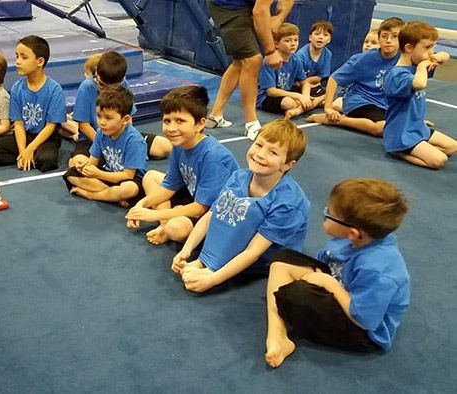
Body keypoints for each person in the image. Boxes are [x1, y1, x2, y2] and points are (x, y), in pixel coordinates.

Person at [265, 178, 409, 368]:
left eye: (329, 214)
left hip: (362, 330)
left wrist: (329, 284)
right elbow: (327, 262)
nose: (325, 215)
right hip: (342, 285)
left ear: (354, 234)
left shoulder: (378, 270)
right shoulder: (352, 239)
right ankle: (277, 335)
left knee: (295, 293)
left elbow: (364, 320)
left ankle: (280, 330)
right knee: (282, 259)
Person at [172, 119, 309, 293]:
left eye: (273, 152)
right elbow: (212, 216)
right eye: (259, 144)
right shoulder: (238, 177)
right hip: (237, 241)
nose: (260, 154)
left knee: (250, 213)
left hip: (265, 258)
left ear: (288, 164)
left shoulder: (289, 203)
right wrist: (187, 250)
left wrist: (212, 278)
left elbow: (253, 252)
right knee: (226, 212)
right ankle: (207, 261)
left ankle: (211, 264)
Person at [125, 86, 239, 245]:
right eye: (167, 121)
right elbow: (169, 186)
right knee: (151, 176)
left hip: (213, 212)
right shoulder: (179, 144)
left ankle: (166, 226)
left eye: (180, 121)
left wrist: (153, 215)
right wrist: (142, 204)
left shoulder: (213, 156)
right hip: (194, 194)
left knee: (175, 229)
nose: (171, 128)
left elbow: (200, 208)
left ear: (200, 124)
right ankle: (164, 225)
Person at [205, 0, 295, 140]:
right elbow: (259, 11)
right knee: (252, 60)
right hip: (226, 6)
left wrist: (279, 17)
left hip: (246, 5)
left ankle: (216, 115)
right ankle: (251, 124)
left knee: (241, 61)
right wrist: (271, 52)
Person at [69, 51, 171, 167]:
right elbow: (84, 125)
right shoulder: (87, 87)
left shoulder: (124, 85)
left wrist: (128, 143)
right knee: (76, 164)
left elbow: (128, 120)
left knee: (164, 147)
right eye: (101, 85)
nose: (105, 91)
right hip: (93, 139)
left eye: (111, 88)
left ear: (122, 80)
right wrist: (102, 145)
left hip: (121, 136)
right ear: (97, 72)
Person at [307, 18, 405, 137]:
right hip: (360, 101)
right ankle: (338, 120)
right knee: (382, 128)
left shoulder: (404, 58)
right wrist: (328, 107)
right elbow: (334, 78)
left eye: (394, 36)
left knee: (402, 128)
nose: (389, 40)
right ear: (379, 39)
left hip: (383, 105)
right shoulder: (363, 59)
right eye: (384, 36)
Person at [0, 35, 67, 172]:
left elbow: (51, 126)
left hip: (46, 137)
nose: (18, 62)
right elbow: (19, 124)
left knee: (47, 160)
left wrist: (31, 149)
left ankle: (30, 157)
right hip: (25, 135)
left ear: (40, 61)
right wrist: (23, 151)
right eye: (17, 56)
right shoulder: (17, 88)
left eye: (24, 57)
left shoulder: (54, 90)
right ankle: (25, 158)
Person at [383, 20, 456, 169]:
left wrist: (438, 56)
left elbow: (445, 55)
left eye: (433, 47)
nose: (431, 52)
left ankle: (419, 147)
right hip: (401, 132)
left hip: (417, 127)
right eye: (428, 47)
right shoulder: (397, 75)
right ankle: (398, 151)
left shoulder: (416, 65)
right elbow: (419, 84)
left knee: (452, 147)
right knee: (439, 160)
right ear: (409, 48)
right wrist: (423, 66)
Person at [63, 86, 148, 205]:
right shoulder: (100, 133)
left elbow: (128, 175)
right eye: (98, 116)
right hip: (109, 173)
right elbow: (93, 161)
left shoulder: (134, 141)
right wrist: (85, 166)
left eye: (108, 118)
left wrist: (98, 174)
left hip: (129, 179)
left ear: (125, 119)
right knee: (71, 173)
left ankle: (94, 195)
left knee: (128, 189)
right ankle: (113, 196)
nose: (102, 122)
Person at [256, 23, 322, 119]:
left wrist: (306, 96)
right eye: (287, 41)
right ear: (276, 44)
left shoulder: (295, 59)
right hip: (266, 98)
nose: (293, 43)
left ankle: (299, 109)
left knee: (323, 92)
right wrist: (298, 97)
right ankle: (310, 104)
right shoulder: (269, 61)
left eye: (296, 40)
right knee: (288, 103)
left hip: (287, 91)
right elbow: (271, 91)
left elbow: (305, 83)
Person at [59, 53, 104, 141]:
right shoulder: (87, 88)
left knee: (66, 119)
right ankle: (68, 119)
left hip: (94, 129)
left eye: (87, 73)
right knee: (61, 116)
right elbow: (84, 124)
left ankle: (74, 127)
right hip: (89, 130)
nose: (85, 75)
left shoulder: (88, 87)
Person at [295, 20, 333, 97]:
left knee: (328, 97)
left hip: (312, 85)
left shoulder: (328, 54)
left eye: (325, 35)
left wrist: (310, 82)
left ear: (329, 40)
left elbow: (319, 77)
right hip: (296, 87)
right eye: (317, 34)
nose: (320, 37)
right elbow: (297, 82)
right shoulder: (300, 55)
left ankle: (309, 104)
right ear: (310, 37)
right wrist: (307, 83)